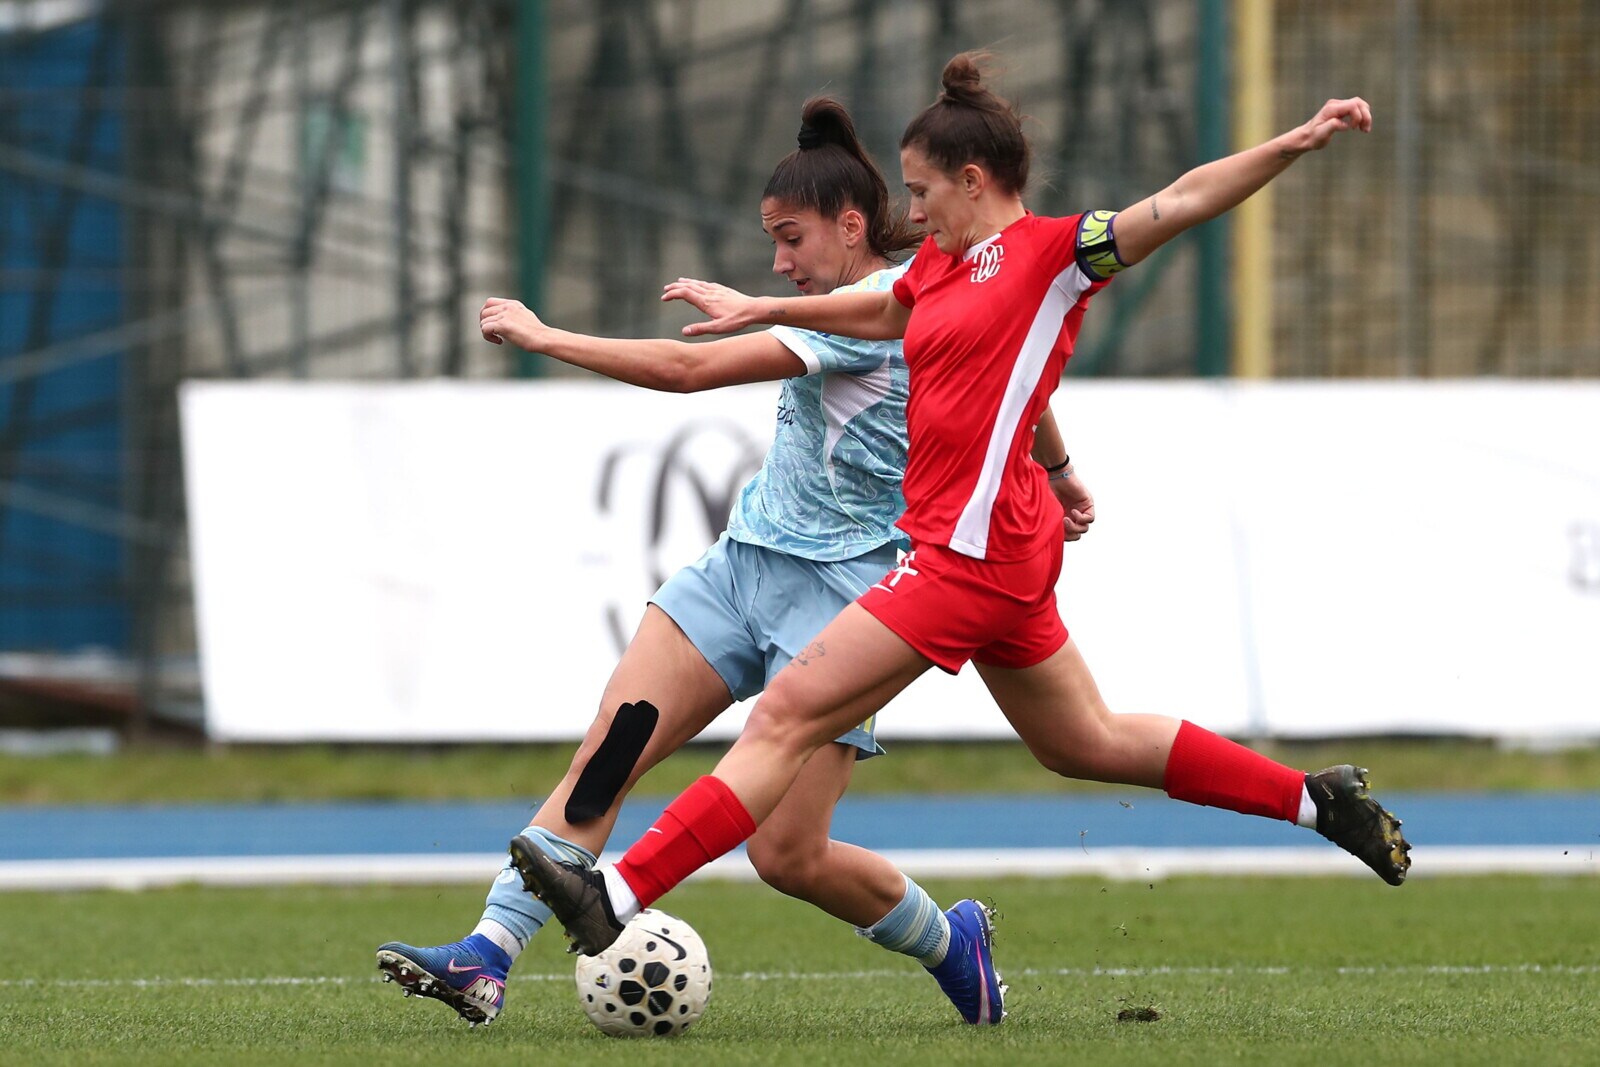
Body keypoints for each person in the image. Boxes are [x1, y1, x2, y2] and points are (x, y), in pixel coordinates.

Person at [511, 53, 1412, 964]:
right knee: (1083, 739)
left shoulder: (1059, 255)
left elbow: (1179, 200)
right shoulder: (939, 266)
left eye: (921, 190)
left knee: (785, 716)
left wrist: (1296, 141)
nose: (912, 212)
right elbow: (880, 315)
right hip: (1005, 538)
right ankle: (1314, 799)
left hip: (967, 556)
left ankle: (616, 891)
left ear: (973, 181)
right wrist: (760, 309)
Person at [373, 97, 1079, 1027]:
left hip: (847, 602)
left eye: (791, 239)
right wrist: (1062, 468)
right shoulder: (897, 297)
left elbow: (689, 370)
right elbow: (1020, 389)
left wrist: (547, 338)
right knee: (609, 753)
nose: (779, 263)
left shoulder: (883, 307)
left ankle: (952, 941)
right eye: (772, 242)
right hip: (740, 569)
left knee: (789, 855)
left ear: (851, 227)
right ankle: (486, 955)